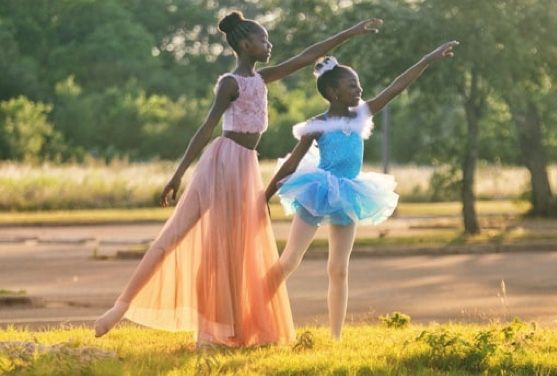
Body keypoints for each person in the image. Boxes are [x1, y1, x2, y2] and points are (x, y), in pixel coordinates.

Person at [93, 10, 383, 347]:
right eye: (263, 39)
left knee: (236, 249)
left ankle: (226, 328)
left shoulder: (263, 79)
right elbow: (206, 128)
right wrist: (178, 174)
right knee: (183, 233)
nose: (269, 44)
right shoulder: (229, 83)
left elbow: (308, 56)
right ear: (245, 44)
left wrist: (351, 32)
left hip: (246, 165)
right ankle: (121, 307)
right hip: (222, 160)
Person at [265, 40, 459, 339]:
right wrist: (263, 197)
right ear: (333, 92)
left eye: (358, 85)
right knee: (290, 260)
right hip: (318, 191)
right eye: (352, 86)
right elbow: (292, 162)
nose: (359, 90)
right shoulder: (317, 125)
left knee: (339, 269)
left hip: (349, 194)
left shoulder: (361, 116)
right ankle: (253, 309)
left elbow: (395, 88)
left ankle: (336, 337)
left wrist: (428, 58)